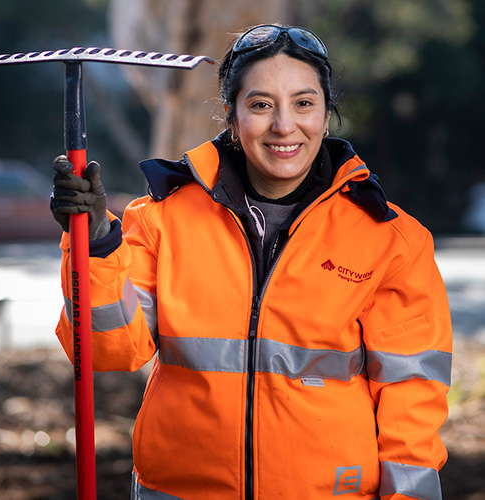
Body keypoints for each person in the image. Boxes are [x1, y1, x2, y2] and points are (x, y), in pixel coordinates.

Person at [50, 24, 452, 500]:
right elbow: (106, 351)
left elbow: (413, 397)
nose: (285, 125)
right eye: (261, 105)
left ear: (327, 114)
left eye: (304, 103)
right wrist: (96, 245)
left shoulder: (390, 239)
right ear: (232, 115)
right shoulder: (162, 219)